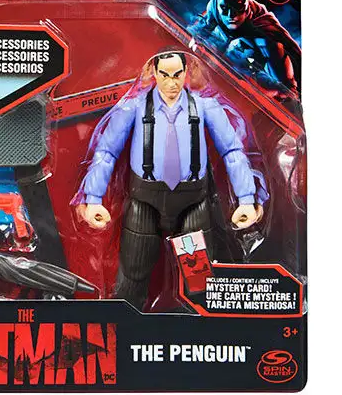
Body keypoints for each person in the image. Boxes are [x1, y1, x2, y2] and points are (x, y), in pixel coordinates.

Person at [76, 52, 263, 310]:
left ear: (186, 72)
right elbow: (106, 151)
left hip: (192, 203)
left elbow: (232, 151)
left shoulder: (205, 106)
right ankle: (123, 325)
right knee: (133, 272)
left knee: (197, 279)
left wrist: (246, 199)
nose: (171, 83)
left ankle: (199, 324)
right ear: (154, 72)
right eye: (164, 75)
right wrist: (93, 198)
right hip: (144, 201)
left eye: (177, 75)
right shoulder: (133, 107)